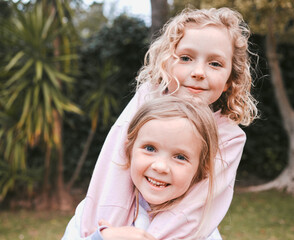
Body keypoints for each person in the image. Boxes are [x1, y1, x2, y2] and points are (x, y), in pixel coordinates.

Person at [64, 7, 258, 239]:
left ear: (229, 80)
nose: (198, 72)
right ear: (167, 63)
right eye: (185, 58)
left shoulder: (228, 135)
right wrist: (105, 233)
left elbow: (199, 204)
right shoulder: (147, 99)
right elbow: (113, 162)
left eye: (215, 64)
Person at [63, 96, 221, 239]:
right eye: (150, 148)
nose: (160, 167)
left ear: (201, 169)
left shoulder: (200, 228)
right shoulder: (95, 208)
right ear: (128, 150)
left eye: (180, 157)